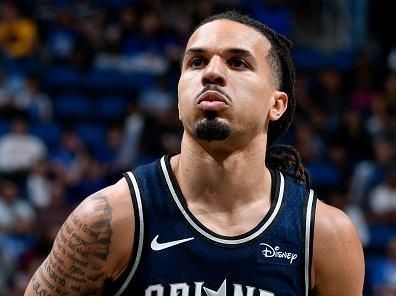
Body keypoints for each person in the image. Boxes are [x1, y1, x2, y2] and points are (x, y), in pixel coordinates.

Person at [24, 11, 364, 296]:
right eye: (196, 61)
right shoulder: (109, 219)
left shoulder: (325, 236)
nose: (212, 72)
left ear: (276, 105)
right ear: (179, 95)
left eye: (238, 63)